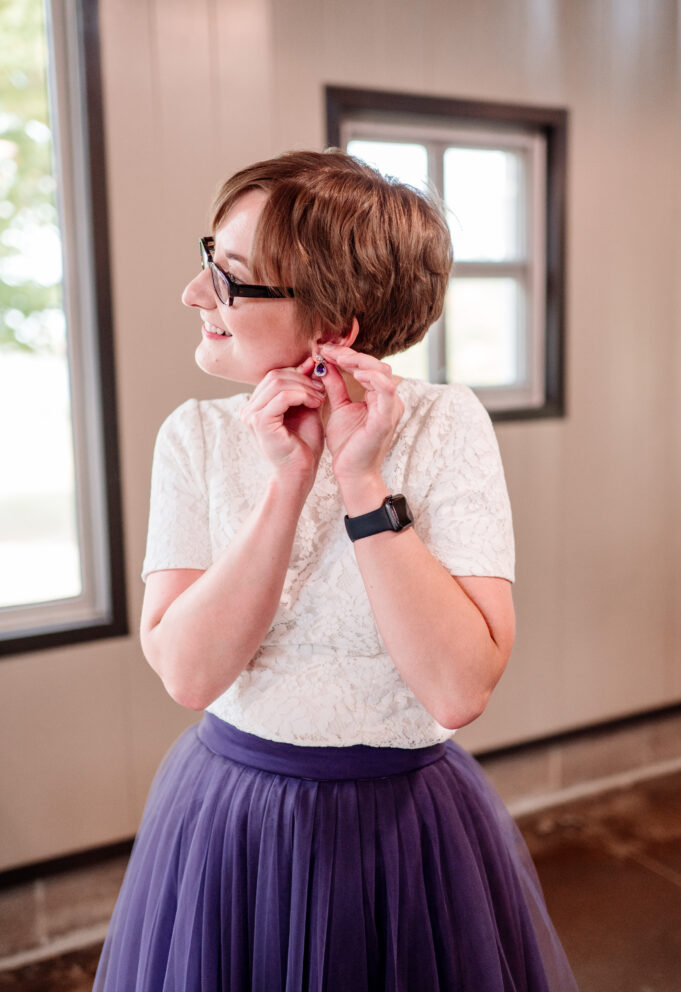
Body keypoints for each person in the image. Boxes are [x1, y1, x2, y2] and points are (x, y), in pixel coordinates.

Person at [94, 150, 577, 991]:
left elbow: (457, 689)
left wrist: (360, 481)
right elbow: (190, 672)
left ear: (335, 327)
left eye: (232, 279)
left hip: (406, 834)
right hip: (231, 822)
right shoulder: (195, 437)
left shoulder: (444, 427)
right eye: (210, 259)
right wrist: (286, 484)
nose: (195, 293)